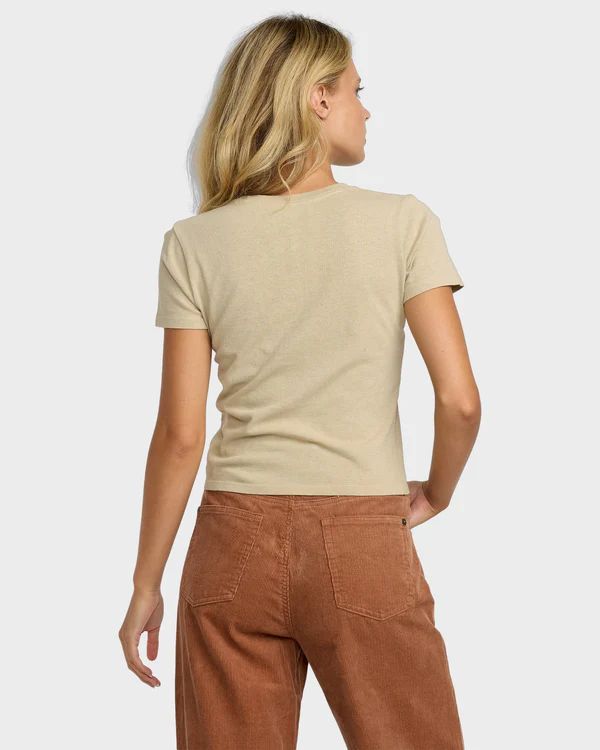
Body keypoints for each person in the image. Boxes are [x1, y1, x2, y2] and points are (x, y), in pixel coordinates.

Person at [118, 13, 480, 750]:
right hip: (363, 539)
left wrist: (145, 583)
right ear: (317, 98)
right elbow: (460, 401)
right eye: (355, 90)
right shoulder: (402, 224)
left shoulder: (194, 242)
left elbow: (181, 435)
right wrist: (438, 492)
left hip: (231, 544)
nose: (365, 110)